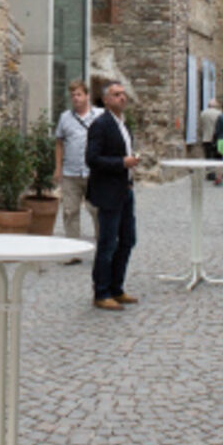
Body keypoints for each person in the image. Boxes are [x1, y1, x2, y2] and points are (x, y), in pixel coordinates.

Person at [85, 81, 140, 311]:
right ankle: (102, 291)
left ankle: (117, 287)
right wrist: (121, 163)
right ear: (106, 100)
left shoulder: (123, 125)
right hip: (108, 192)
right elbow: (92, 159)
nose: (122, 98)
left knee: (128, 240)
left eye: (123, 94)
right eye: (116, 95)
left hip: (125, 190)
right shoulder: (101, 125)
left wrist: (130, 163)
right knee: (108, 243)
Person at [53, 79, 101, 257]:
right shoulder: (65, 117)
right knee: (70, 211)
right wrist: (58, 168)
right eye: (73, 95)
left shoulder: (100, 116)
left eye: (79, 94)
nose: (76, 98)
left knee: (97, 211)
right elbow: (59, 142)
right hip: (70, 172)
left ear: (87, 96)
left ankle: (102, 250)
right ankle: (72, 251)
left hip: (94, 173)